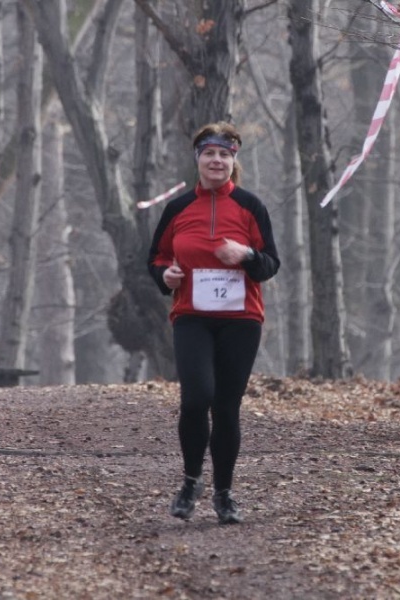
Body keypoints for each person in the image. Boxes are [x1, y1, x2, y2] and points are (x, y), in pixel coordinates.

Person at [147, 122, 280, 524]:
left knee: (226, 406)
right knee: (195, 399)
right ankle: (191, 481)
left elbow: (271, 264)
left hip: (241, 320)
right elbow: (155, 257)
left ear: (234, 161)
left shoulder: (250, 206)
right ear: (198, 160)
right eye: (210, 154)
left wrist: (246, 255)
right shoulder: (178, 208)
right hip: (192, 317)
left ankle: (224, 493)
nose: (217, 161)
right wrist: (164, 277)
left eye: (225, 154)